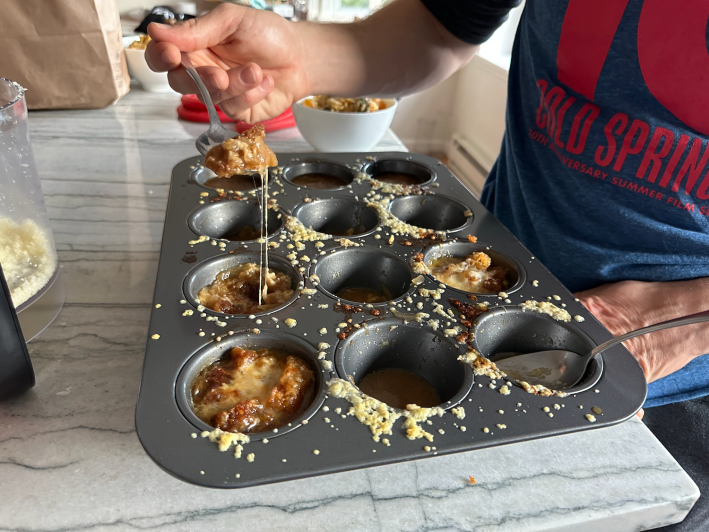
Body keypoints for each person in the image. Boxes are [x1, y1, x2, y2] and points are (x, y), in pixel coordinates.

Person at [146, 2, 709, 528]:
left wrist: (685, 315)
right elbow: (439, 25)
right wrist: (297, 55)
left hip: (670, 370)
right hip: (483, 274)